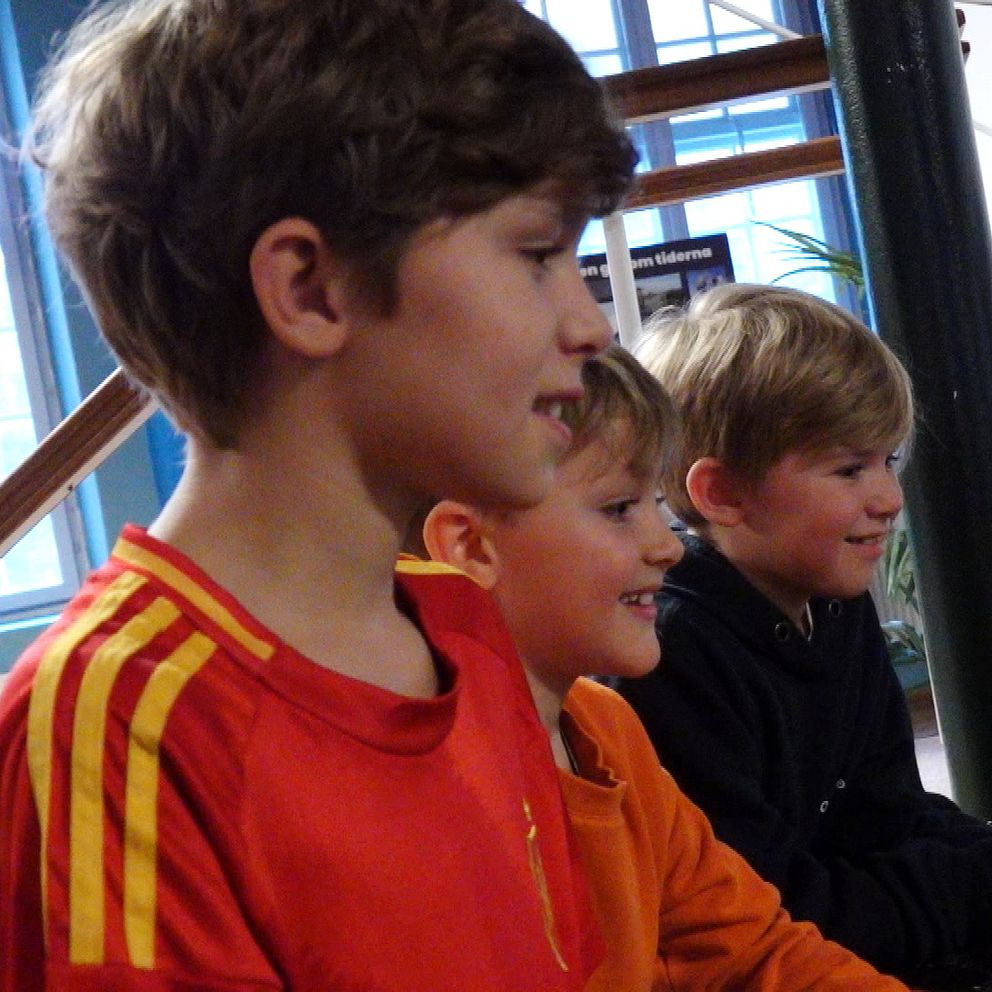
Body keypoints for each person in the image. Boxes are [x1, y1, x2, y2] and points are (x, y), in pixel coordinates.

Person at [0, 1, 640, 989]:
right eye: (537, 254)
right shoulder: (120, 721)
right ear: (308, 289)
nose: (590, 324)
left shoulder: (467, 625)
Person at [423, 343, 911, 991]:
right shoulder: (428, 789)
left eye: (654, 501)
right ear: (470, 545)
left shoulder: (606, 726)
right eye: (619, 509)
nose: (666, 547)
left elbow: (751, 949)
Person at [617, 283, 992, 988]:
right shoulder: (670, 657)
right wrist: (972, 884)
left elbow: (889, 815)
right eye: (850, 469)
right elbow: (771, 916)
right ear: (722, 493)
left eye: (888, 462)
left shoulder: (837, 607)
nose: (889, 498)